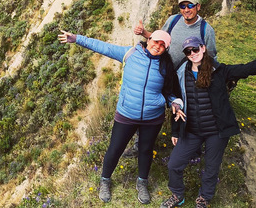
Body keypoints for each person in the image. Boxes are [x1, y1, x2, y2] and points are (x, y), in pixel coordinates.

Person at [160, 36, 256, 208]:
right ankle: (177, 194)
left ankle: (204, 198)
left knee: (211, 168)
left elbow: (249, 68)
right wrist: (175, 131)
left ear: (203, 48)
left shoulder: (219, 71)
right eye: (188, 51)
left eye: (195, 49)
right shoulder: (181, 73)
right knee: (174, 164)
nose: (192, 54)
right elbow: (177, 103)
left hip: (216, 131)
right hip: (191, 130)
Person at [58, 29, 178, 204]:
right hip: (127, 113)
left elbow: (170, 92)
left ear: (166, 48)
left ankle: (142, 182)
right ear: (148, 39)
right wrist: (76, 38)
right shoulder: (130, 53)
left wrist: (175, 102)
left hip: (152, 117)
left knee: (145, 150)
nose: (157, 46)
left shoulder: (166, 66)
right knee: (115, 148)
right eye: (155, 42)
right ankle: (105, 180)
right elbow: (103, 47)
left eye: (162, 45)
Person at [135, 0, 217, 69]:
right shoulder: (173, 20)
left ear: (198, 7)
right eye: (182, 6)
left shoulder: (206, 30)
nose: (186, 10)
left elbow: (211, 56)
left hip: (188, 77)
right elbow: (159, 40)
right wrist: (143, 32)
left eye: (190, 5)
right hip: (167, 70)